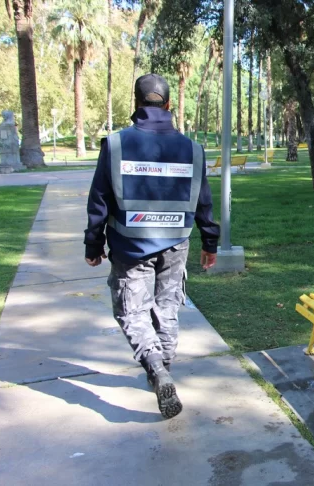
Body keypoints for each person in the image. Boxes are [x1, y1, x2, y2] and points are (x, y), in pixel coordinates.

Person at [84, 73, 220, 419]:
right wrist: (210, 241)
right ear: (169, 104)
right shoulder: (193, 149)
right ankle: (165, 366)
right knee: (168, 306)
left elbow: (99, 199)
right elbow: (204, 202)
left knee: (132, 310)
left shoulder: (115, 144)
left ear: (136, 102)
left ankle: (156, 368)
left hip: (130, 248)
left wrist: (93, 243)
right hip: (176, 244)